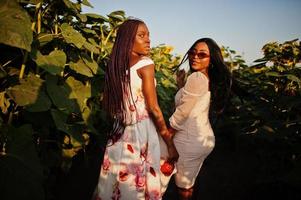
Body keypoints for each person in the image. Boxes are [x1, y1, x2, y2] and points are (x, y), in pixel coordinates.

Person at [92, 19, 179, 200]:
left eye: (148, 35)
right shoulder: (145, 64)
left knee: (117, 180)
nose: (148, 40)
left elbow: (110, 104)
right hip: (141, 133)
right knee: (137, 181)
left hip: (119, 132)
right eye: (141, 35)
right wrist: (170, 144)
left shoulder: (116, 66)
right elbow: (154, 108)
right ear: (127, 40)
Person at [168, 38, 232, 200]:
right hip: (201, 138)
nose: (195, 57)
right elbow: (192, 104)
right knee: (188, 184)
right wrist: (180, 85)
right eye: (192, 52)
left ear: (211, 60)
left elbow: (182, 113)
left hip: (189, 140)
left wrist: (167, 136)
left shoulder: (196, 78)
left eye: (202, 54)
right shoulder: (205, 78)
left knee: (183, 188)